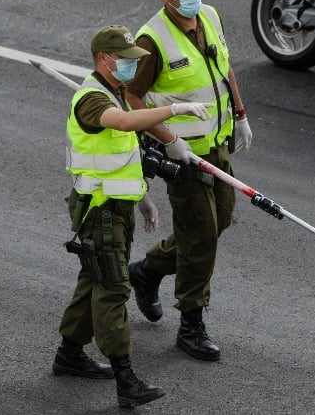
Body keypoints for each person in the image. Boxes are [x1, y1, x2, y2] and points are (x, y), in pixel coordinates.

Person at [53, 24, 210, 408]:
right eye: (125, 59)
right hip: (100, 211)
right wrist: (174, 110)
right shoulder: (93, 99)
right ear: (103, 59)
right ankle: (126, 379)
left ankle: (69, 354)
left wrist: (143, 199)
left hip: (116, 206)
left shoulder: (117, 93)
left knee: (95, 280)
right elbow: (123, 124)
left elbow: (122, 155)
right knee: (113, 289)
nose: (131, 66)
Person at [125, 0, 253, 362]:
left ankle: (147, 270)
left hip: (218, 143)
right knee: (200, 235)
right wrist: (169, 139)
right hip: (184, 154)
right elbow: (132, 98)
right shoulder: (151, 40)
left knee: (221, 220)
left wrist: (241, 114)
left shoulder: (208, 16)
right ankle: (191, 323)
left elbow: (223, 67)